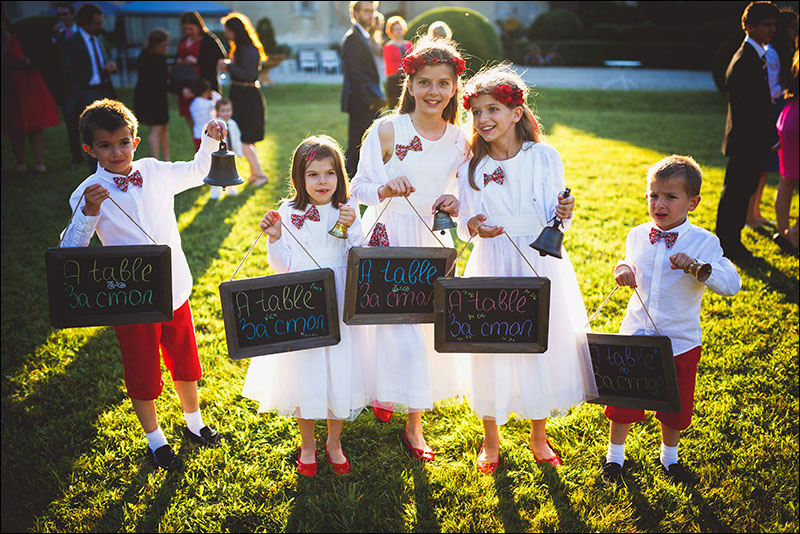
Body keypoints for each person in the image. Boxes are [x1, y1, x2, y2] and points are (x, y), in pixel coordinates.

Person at [59, 99, 227, 471]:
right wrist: (88, 213)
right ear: (89, 149)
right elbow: (70, 250)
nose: (116, 152)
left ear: (135, 141)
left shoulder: (153, 171)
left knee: (185, 359)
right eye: (105, 145)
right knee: (142, 368)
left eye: (122, 142)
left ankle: (194, 422)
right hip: (130, 297)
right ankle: (155, 438)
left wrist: (211, 140)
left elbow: (199, 171)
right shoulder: (88, 191)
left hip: (174, 287)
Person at [457, 65, 594, 473]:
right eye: (477, 112)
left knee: (538, 340)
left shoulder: (544, 157)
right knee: (491, 343)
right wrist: (479, 226)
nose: (483, 120)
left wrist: (564, 213)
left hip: (538, 261)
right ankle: (491, 438)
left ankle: (538, 434)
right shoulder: (472, 166)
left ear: (516, 113)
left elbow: (558, 218)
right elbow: (469, 221)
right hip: (492, 261)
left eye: (493, 109)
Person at [350, 36, 467, 461]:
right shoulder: (387, 130)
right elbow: (358, 187)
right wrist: (384, 187)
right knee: (380, 324)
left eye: (442, 83)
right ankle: (383, 390)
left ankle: (414, 426)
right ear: (410, 84)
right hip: (386, 233)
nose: (433, 92)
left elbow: (464, 194)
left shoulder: (460, 141)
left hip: (429, 241)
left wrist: (456, 203)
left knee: (419, 332)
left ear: (455, 87)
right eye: (424, 83)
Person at [601, 155, 741, 484]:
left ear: (693, 202)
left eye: (670, 197)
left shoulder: (705, 242)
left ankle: (669, 458)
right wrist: (622, 269)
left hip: (680, 340)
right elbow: (629, 262)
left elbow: (731, 285)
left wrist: (697, 266)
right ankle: (615, 458)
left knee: (674, 407)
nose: (659, 204)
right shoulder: (637, 234)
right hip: (636, 335)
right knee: (624, 399)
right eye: (654, 195)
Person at [241, 135, 369, 477]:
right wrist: (274, 237)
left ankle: (334, 442)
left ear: (340, 176)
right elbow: (281, 266)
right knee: (306, 373)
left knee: (339, 373)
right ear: (300, 178)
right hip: (303, 301)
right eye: (313, 174)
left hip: (339, 298)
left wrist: (354, 224)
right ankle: (309, 443)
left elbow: (360, 255)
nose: (323, 181)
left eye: (330, 173)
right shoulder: (289, 212)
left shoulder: (348, 208)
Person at [716, 1, 781, 262]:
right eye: (767, 25)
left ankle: (731, 243)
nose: (772, 30)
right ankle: (729, 246)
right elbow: (750, 109)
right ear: (749, 26)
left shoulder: (755, 57)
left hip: (748, 141)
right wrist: (770, 138)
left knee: (741, 192)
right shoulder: (745, 61)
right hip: (746, 142)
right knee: (736, 193)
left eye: (775, 25)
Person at [61, 2, 118, 172]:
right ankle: (96, 171)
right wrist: (79, 95)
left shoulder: (99, 39)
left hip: (104, 89)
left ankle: (111, 166)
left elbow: (99, 62)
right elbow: (67, 72)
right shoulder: (71, 43)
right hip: (85, 92)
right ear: (85, 23)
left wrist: (109, 68)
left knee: (109, 130)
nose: (101, 26)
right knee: (93, 134)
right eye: (97, 23)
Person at [1, 8, 60, 174]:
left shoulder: (19, 38)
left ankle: (39, 160)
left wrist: (25, 62)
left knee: (35, 126)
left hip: (27, 86)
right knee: (14, 127)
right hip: (8, 90)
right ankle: (20, 161)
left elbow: (39, 55)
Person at [217, 12, 270, 187]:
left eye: (228, 31)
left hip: (247, 97)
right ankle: (255, 173)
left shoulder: (248, 49)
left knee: (244, 138)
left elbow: (248, 74)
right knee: (245, 138)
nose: (226, 34)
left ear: (235, 31)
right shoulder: (241, 48)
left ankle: (261, 175)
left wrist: (228, 66)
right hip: (241, 94)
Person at [341, 1, 386, 179]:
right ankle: (347, 180)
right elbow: (355, 75)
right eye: (366, 11)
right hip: (362, 101)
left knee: (367, 142)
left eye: (372, 11)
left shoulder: (364, 35)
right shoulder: (353, 38)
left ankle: (359, 178)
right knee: (358, 144)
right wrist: (370, 102)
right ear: (355, 13)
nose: (371, 15)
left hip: (369, 99)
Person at [175, 11, 226, 136]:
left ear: (198, 26)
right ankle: (197, 147)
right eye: (185, 29)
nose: (188, 31)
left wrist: (198, 60)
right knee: (193, 124)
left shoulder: (209, 40)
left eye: (191, 28)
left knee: (208, 121)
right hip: (188, 86)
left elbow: (220, 59)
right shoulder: (184, 40)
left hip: (203, 87)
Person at [774, 44, 799, 251]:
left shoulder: (796, 58)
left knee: (787, 178)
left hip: (789, 116)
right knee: (788, 178)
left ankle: (784, 233)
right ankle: (795, 234)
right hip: (796, 121)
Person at [50, 2, 81, 166]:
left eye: (65, 14)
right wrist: (54, 40)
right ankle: (76, 155)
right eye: (59, 15)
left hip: (83, 85)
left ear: (73, 15)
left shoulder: (82, 33)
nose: (63, 18)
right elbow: (55, 61)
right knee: (71, 122)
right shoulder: (58, 36)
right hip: (67, 88)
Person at [133, 28, 170, 161]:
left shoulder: (157, 57)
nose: (165, 48)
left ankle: (166, 160)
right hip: (150, 99)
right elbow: (159, 81)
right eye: (162, 46)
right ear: (154, 45)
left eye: (166, 45)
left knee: (164, 128)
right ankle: (156, 162)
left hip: (159, 97)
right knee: (156, 130)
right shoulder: (148, 58)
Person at [212, 97, 242, 198]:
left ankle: (231, 189)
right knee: (217, 173)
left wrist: (239, 151)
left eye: (228, 110)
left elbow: (237, 138)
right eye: (223, 111)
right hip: (220, 155)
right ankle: (215, 194)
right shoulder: (217, 125)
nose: (226, 113)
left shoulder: (233, 124)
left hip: (231, 153)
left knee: (232, 172)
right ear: (218, 111)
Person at [382, 15, 412, 109]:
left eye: (400, 29)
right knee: (394, 106)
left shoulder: (409, 45)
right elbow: (390, 64)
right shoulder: (388, 46)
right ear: (391, 31)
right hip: (394, 80)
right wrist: (403, 66)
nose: (398, 31)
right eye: (395, 29)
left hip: (408, 79)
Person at [188, 78, 221, 153]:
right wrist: (214, 94)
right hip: (209, 134)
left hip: (197, 134)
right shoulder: (209, 104)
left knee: (200, 155)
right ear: (206, 92)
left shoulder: (192, 104)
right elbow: (220, 102)